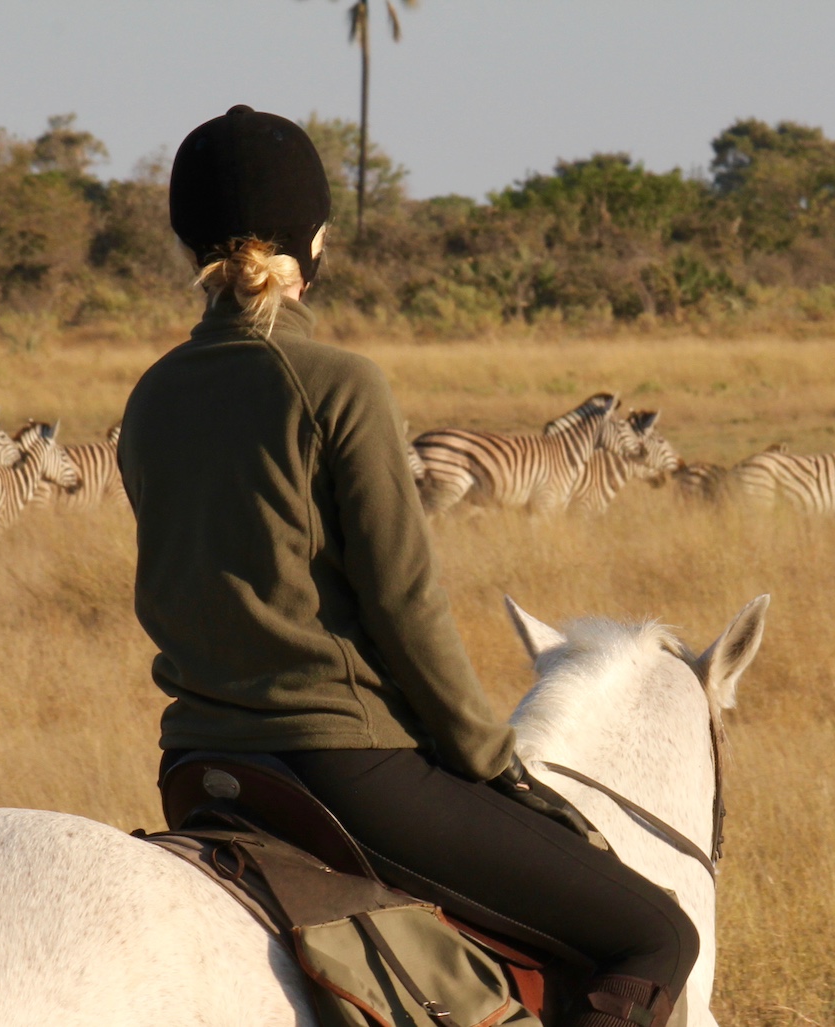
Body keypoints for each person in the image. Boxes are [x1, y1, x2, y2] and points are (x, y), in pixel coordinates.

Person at [119, 105, 698, 1027]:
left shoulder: (150, 396)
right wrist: (489, 758)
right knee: (655, 937)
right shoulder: (342, 383)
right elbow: (404, 602)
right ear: (317, 240)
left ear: (188, 243)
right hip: (345, 770)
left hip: (199, 763)